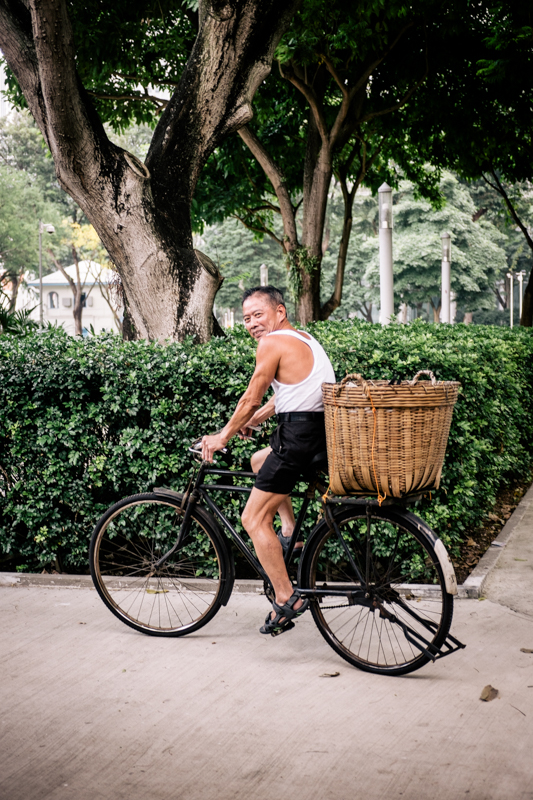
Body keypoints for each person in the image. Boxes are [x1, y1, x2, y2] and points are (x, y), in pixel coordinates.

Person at [201, 286, 335, 636]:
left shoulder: (271, 343)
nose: (251, 324)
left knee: (252, 518)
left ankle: (287, 596)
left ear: (279, 311)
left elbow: (252, 394)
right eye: (245, 318)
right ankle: (291, 532)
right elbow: (290, 395)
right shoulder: (303, 340)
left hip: (298, 441)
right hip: (315, 436)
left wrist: (223, 435)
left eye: (257, 315)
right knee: (260, 460)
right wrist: (255, 421)